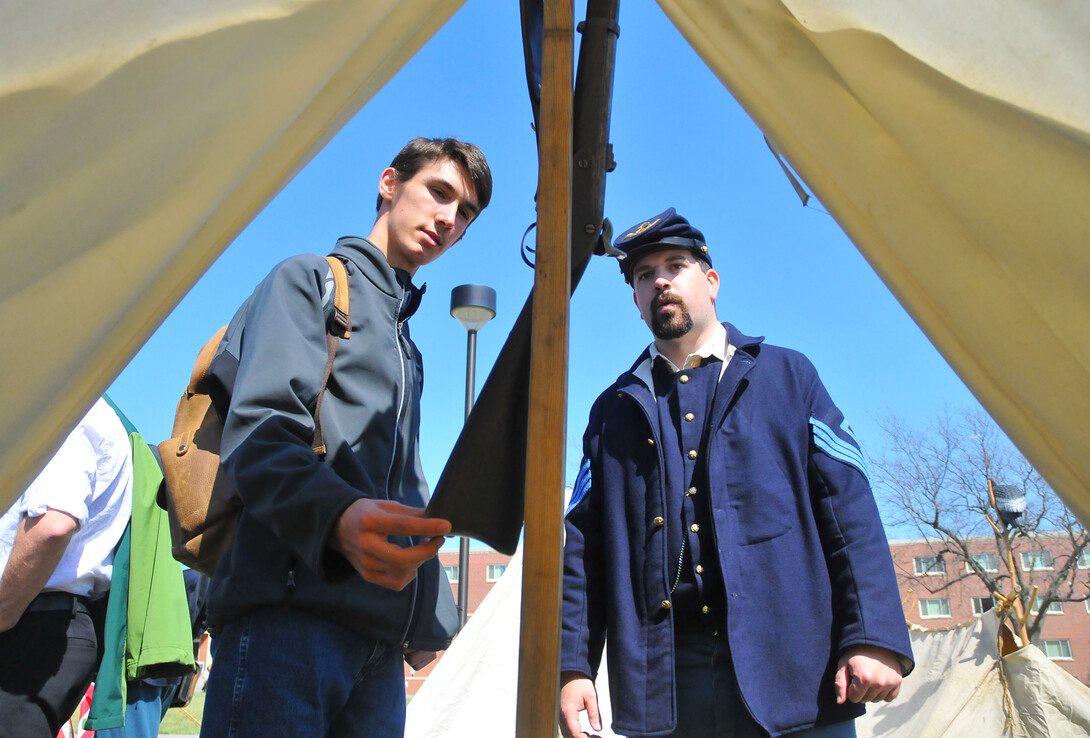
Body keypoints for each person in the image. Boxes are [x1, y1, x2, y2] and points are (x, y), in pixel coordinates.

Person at [559, 208, 914, 738]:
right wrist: (573, 665)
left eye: (675, 265)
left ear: (711, 281)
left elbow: (849, 509)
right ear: (635, 301)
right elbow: (584, 548)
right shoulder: (611, 410)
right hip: (666, 685)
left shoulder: (790, 376)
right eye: (643, 275)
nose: (659, 280)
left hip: (797, 675)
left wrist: (874, 636)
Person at [199, 137, 492, 738]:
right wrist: (337, 518)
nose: (449, 219)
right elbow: (260, 433)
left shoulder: (406, 346)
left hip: (380, 646)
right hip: (285, 624)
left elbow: (405, 485)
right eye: (439, 193)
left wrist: (429, 626)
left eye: (465, 214)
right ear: (390, 183)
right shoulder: (307, 281)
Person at [0, 397, 134, 738]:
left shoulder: (67, 408)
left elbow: (53, 523)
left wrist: (2, 611)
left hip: (32, 623)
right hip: (37, 620)